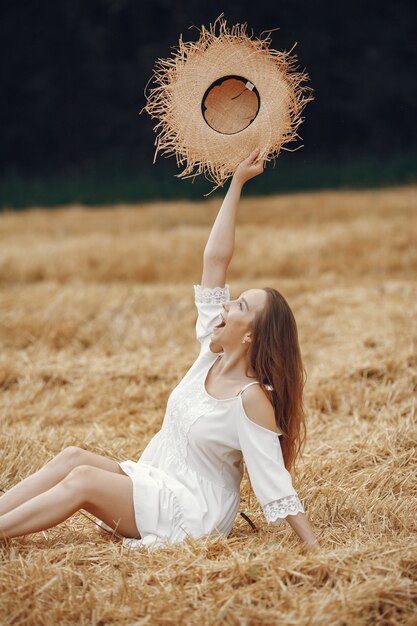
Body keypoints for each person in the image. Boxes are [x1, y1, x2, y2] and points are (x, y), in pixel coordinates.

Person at [0, 149, 320, 551]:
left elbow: (273, 480)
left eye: (239, 305)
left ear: (252, 335)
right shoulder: (213, 351)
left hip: (192, 510)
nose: (226, 303)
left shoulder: (250, 398)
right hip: (157, 480)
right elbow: (215, 259)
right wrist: (237, 183)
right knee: (70, 458)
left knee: (82, 481)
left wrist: (313, 547)